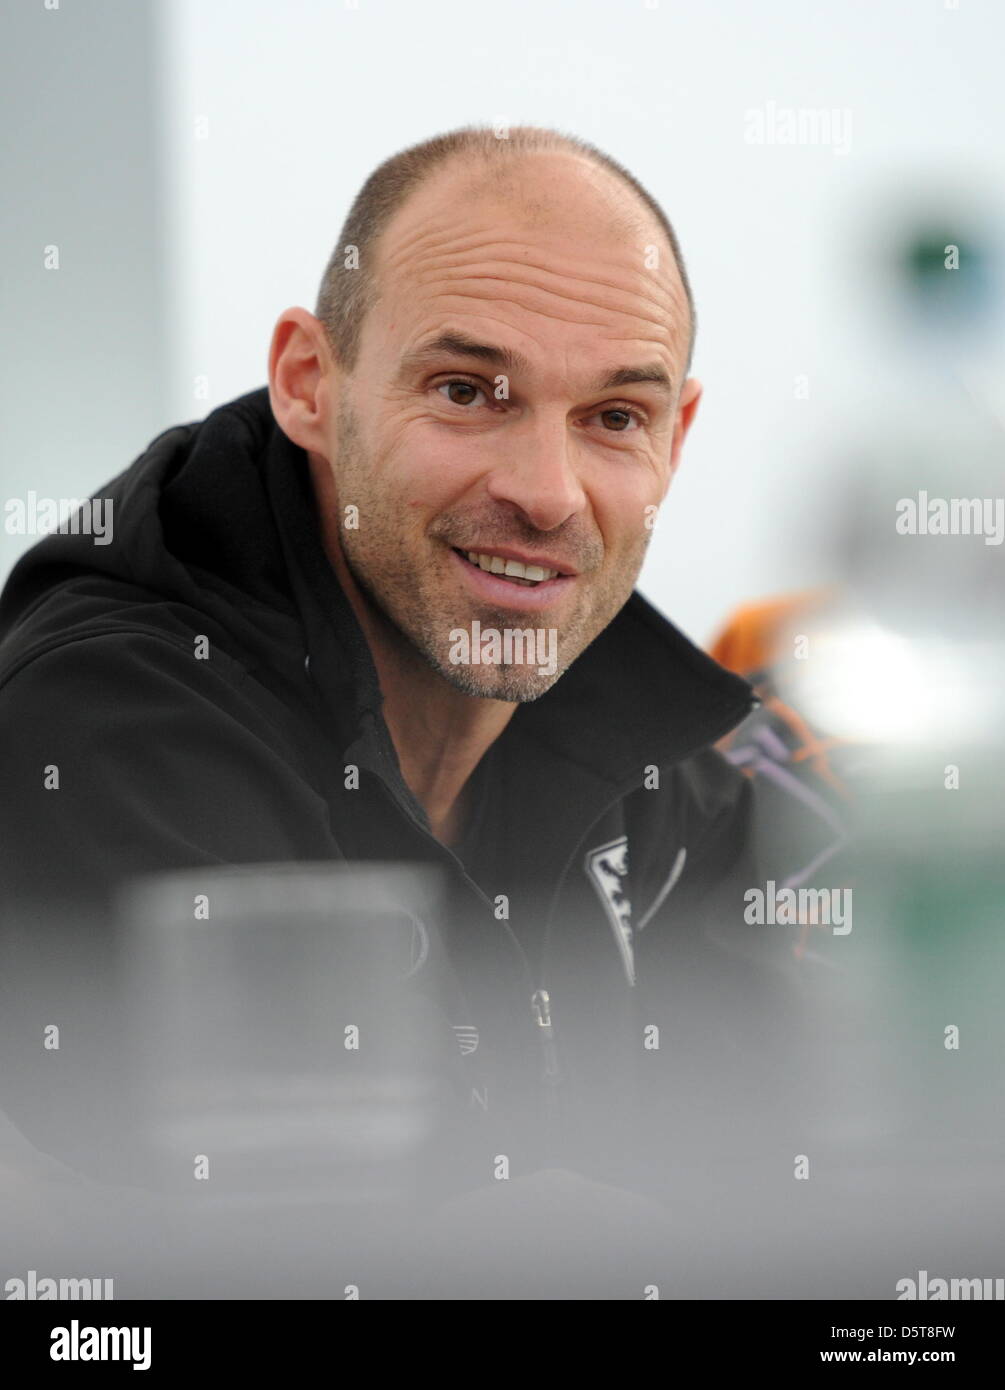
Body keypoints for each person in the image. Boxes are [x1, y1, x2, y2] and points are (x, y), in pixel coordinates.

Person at [0, 126, 782, 1199]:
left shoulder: (648, 737)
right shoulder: (108, 725)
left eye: (614, 416)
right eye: (467, 391)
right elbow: (337, 1249)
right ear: (309, 383)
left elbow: (795, 1165)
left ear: (675, 437)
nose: (549, 492)